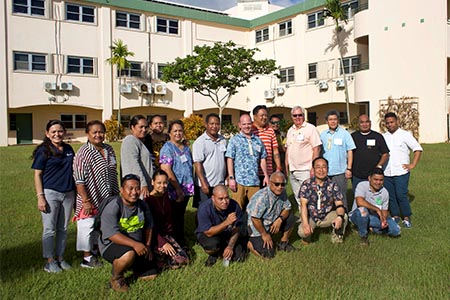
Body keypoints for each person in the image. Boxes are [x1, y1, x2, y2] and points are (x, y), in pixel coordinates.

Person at [99, 174, 158, 292]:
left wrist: (147, 246)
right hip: (112, 245)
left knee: (151, 276)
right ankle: (117, 278)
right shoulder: (113, 206)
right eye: (130, 188)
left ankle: (131, 266)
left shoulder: (142, 205)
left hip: (138, 245)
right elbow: (112, 235)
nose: (134, 192)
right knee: (128, 254)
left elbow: (149, 227)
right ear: (121, 190)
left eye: (137, 188)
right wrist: (135, 245)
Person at [73, 120, 120, 268]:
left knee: (100, 225)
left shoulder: (109, 149)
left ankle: (96, 249)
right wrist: (86, 201)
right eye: (95, 132)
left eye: (101, 132)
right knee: (86, 226)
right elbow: (79, 180)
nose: (98, 135)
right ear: (88, 134)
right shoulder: (83, 153)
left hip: (108, 196)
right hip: (89, 196)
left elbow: (113, 171)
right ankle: (86, 258)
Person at [32, 120, 75, 273]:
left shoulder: (69, 149)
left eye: (60, 131)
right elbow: (37, 174)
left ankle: (60, 257)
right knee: (49, 229)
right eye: (53, 131)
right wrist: (40, 196)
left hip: (69, 193)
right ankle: (49, 261)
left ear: (64, 132)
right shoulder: (44, 151)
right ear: (47, 134)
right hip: (51, 193)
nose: (57, 134)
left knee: (63, 228)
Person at [383, 112, 423, 228]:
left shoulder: (405, 135)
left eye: (392, 122)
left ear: (397, 122)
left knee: (401, 195)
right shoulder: (384, 136)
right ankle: (395, 216)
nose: (390, 124)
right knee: (391, 195)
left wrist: (412, 164)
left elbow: (417, 149)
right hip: (387, 172)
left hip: (401, 172)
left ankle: (406, 217)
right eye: (387, 123)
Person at [297, 157, 348, 244]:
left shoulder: (333, 185)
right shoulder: (306, 184)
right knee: (302, 232)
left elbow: (339, 204)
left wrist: (339, 217)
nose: (321, 170)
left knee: (344, 216)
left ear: (328, 169)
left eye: (324, 167)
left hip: (326, 216)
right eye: (318, 167)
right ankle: (307, 237)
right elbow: (303, 206)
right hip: (311, 217)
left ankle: (337, 237)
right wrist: (305, 224)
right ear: (313, 169)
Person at [145, 169, 189, 270]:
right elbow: (150, 227)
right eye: (159, 183)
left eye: (165, 183)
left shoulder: (166, 195)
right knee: (172, 262)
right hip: (155, 237)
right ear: (152, 182)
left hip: (168, 235)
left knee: (183, 260)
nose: (162, 186)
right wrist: (162, 242)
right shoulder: (147, 201)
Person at [159, 120, 194, 246]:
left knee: (180, 216)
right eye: (175, 131)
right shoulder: (167, 148)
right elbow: (166, 169)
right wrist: (178, 189)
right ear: (169, 133)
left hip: (186, 188)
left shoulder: (185, 148)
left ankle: (181, 239)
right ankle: (174, 242)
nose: (178, 133)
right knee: (173, 217)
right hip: (174, 189)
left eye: (180, 130)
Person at [246, 172, 296, 259]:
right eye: (277, 184)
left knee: (291, 218)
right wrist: (264, 234)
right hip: (257, 228)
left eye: (282, 184)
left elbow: (287, 208)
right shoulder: (262, 197)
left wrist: (279, 220)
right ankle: (249, 244)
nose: (280, 187)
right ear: (270, 183)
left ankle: (283, 243)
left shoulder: (282, 192)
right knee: (268, 255)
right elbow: (255, 219)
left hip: (271, 222)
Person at [226, 114, 269, 209]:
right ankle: (237, 224)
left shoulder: (258, 141)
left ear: (252, 124)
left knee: (256, 209)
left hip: (254, 181)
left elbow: (262, 158)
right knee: (236, 209)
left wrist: (266, 175)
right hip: (239, 182)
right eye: (244, 124)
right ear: (239, 125)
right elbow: (230, 159)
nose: (247, 126)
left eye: (249, 124)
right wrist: (231, 177)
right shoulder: (234, 140)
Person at [196, 185, 247, 266]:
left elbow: (237, 228)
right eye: (220, 199)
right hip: (210, 235)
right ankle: (215, 253)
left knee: (239, 258)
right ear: (213, 198)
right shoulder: (204, 208)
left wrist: (230, 246)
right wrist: (226, 222)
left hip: (228, 234)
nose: (225, 202)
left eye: (227, 198)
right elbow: (208, 232)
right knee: (211, 245)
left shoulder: (234, 206)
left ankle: (224, 249)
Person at [349, 168, 401, 245]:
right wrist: (377, 209)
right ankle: (363, 236)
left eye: (381, 180)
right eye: (375, 179)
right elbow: (359, 202)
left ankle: (371, 229)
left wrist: (383, 220)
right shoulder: (362, 185)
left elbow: (384, 211)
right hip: (358, 215)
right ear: (369, 178)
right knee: (363, 211)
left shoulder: (384, 192)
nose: (378, 182)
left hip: (374, 218)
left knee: (396, 230)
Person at [285, 106, 322, 209]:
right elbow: (288, 150)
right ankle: (303, 218)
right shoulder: (290, 130)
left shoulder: (311, 128)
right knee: (298, 196)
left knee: (308, 196)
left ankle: (313, 219)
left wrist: (313, 168)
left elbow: (316, 148)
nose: (297, 117)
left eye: (300, 115)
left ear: (304, 116)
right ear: (292, 117)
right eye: (295, 115)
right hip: (293, 170)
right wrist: (286, 167)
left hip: (305, 169)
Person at [320, 110, 356, 209]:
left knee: (341, 196)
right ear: (327, 121)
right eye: (330, 119)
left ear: (338, 120)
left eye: (335, 119)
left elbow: (350, 151)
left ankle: (344, 219)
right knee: (327, 197)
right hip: (326, 172)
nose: (333, 122)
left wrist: (349, 168)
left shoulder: (345, 134)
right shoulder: (322, 135)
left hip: (340, 171)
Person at [192, 113, 227, 208]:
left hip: (219, 184)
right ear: (206, 124)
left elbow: (225, 160)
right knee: (203, 210)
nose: (214, 126)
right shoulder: (200, 142)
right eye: (212, 124)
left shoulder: (223, 140)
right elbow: (197, 163)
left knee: (218, 209)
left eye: (217, 124)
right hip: (205, 184)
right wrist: (203, 183)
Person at [351, 114, 389, 192]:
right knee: (358, 196)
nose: (364, 124)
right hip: (357, 175)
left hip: (373, 175)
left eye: (367, 122)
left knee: (375, 196)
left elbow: (385, 154)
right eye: (362, 122)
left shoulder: (378, 136)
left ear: (370, 123)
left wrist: (379, 166)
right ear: (358, 124)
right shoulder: (353, 137)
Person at [121, 115, 154, 199]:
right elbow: (133, 165)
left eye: (146, 127)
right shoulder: (130, 140)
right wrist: (143, 184)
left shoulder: (140, 142)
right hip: (138, 188)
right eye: (141, 127)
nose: (144, 130)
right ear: (132, 127)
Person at [252, 105, 282, 187]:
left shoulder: (270, 131)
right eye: (262, 115)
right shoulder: (249, 130)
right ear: (254, 116)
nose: (264, 118)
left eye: (266, 115)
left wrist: (278, 167)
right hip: (253, 173)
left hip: (268, 172)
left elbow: (275, 151)